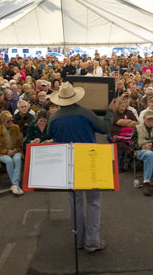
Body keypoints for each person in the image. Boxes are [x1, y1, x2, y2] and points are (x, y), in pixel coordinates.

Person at [48, 82, 117, 253]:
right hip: (88, 159)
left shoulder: (54, 118)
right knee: (93, 201)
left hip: (67, 161)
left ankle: (78, 239)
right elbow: (105, 128)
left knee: (74, 201)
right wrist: (110, 112)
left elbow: (50, 136)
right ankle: (92, 241)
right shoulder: (85, 113)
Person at [0, 111, 24, 196]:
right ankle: (16, 184)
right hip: (1, 153)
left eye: (11, 120)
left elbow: (20, 144)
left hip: (15, 150)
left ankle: (14, 184)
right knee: (9, 161)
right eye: (8, 121)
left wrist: (14, 150)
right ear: (2, 122)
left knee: (17, 159)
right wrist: (6, 151)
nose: (11, 123)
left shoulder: (16, 128)